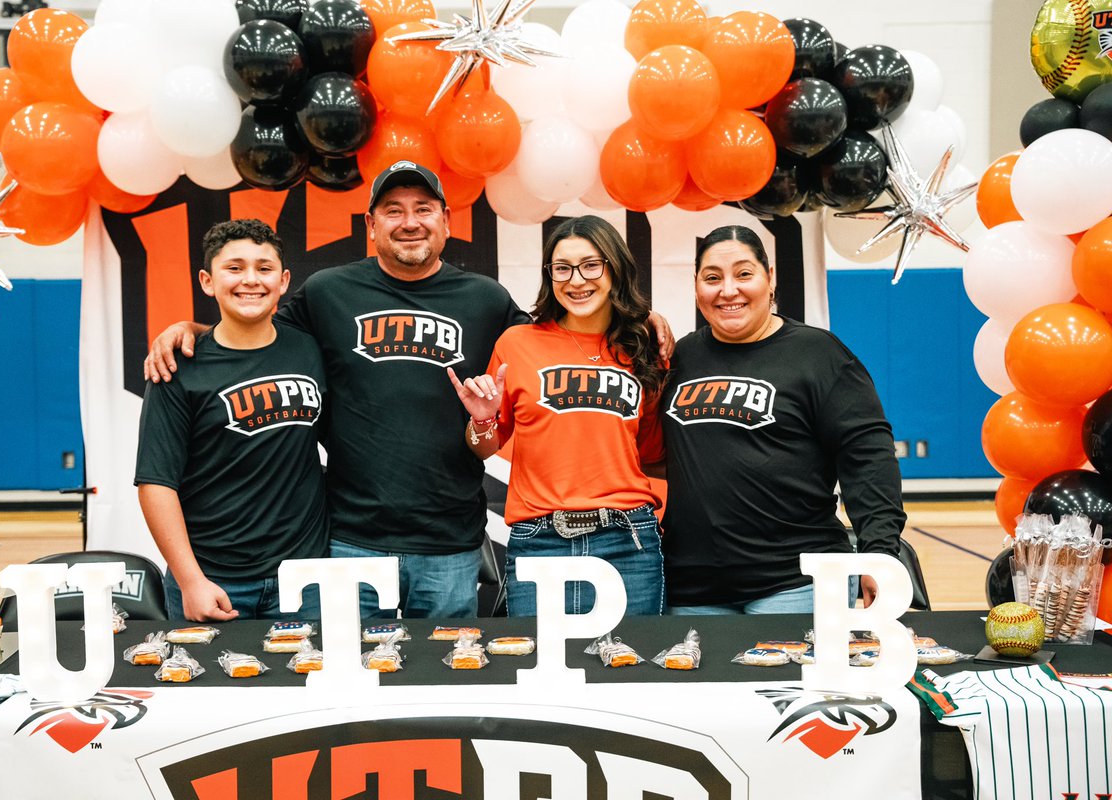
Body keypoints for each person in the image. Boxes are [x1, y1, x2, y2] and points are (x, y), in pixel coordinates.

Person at [146, 162, 674, 619]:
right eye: (393, 211)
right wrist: (190, 331)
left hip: (449, 542)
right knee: (350, 689)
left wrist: (634, 315)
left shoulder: (486, 300)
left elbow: (559, 332)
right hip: (350, 539)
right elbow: (254, 327)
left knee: (443, 689)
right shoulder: (328, 291)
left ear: (446, 221)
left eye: (423, 208)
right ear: (371, 226)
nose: (409, 222)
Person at [660, 225, 905, 615]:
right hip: (693, 589)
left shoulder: (819, 354)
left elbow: (868, 460)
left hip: (798, 583)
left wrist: (878, 553)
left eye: (744, 274)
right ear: (696, 286)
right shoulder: (681, 358)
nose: (728, 290)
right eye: (712, 278)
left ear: (769, 278)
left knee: (785, 680)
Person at [449, 215, 666, 616]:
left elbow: (651, 454)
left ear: (615, 268)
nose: (576, 280)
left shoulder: (642, 347)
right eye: (562, 268)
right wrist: (481, 421)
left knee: (631, 676)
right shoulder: (518, 343)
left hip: (627, 538)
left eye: (591, 265)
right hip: (540, 540)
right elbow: (484, 448)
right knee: (540, 675)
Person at [135, 219, 327, 621]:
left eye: (264, 267)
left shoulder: (312, 348)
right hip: (215, 577)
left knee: (308, 683)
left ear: (284, 280)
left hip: (305, 574)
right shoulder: (178, 367)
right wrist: (190, 581)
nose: (250, 280)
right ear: (207, 280)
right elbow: (156, 483)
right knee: (212, 684)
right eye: (234, 268)